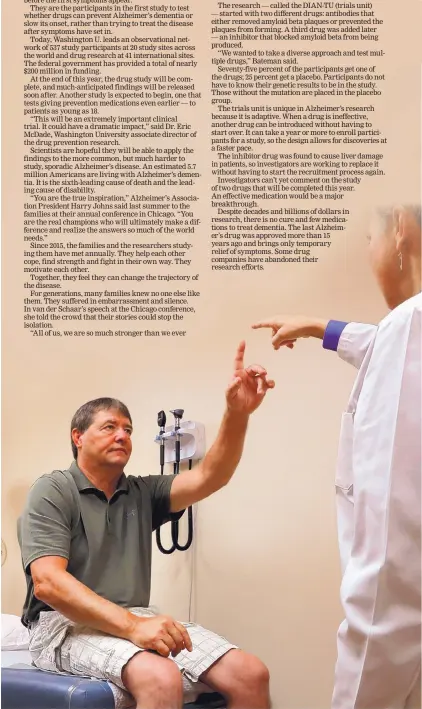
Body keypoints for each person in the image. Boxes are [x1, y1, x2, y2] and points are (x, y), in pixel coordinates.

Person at [18, 342, 274, 709]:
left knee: (250, 674)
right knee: (160, 675)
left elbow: (210, 476)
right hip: (61, 626)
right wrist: (133, 627)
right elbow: (49, 584)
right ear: (78, 437)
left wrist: (237, 414)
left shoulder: (142, 491)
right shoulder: (53, 488)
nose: (122, 435)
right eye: (109, 427)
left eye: (128, 428)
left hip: (133, 615)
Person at [252, 204, 421, 709]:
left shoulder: (409, 323)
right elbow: (388, 349)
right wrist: (316, 327)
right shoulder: (405, 331)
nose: (369, 253)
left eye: (370, 237)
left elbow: (393, 541)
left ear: (400, 232)